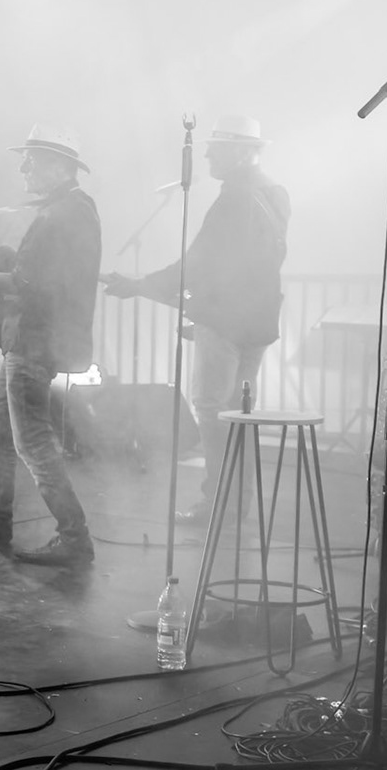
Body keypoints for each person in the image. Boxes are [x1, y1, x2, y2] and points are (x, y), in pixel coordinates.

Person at [103, 116, 289, 522]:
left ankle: (218, 501)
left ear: (241, 152)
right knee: (239, 411)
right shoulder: (274, 193)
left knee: (211, 408)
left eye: (215, 148)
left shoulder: (235, 199)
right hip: (256, 321)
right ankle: (237, 501)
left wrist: (141, 285)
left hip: (226, 323)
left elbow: (201, 262)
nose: (205, 154)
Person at [0, 125, 102, 567]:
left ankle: (75, 538)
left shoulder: (62, 215)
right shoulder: (67, 210)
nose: (25, 167)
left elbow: (29, 282)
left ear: (62, 166)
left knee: (33, 443)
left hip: (36, 340)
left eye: (34, 159)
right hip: (27, 338)